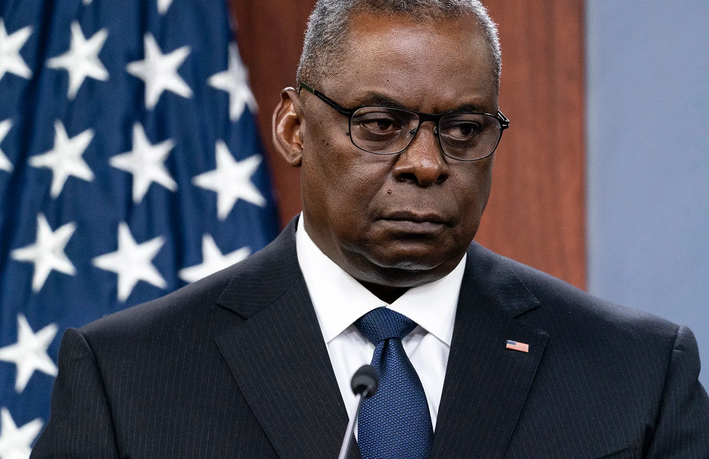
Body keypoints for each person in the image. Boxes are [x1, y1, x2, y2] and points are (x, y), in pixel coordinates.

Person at [33, 0, 709, 457]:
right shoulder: (128, 377)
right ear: (294, 128)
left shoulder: (636, 371)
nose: (426, 163)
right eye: (380, 125)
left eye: (463, 130)